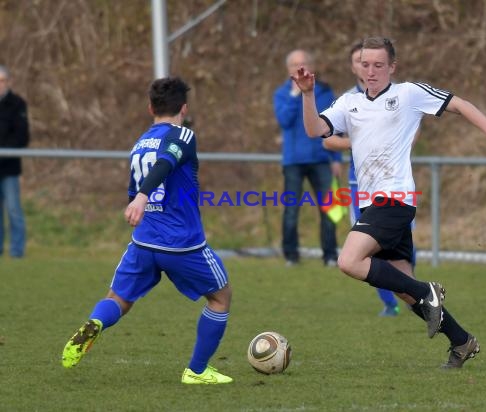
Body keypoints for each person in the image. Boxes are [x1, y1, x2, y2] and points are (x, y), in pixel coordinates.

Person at [293, 36, 486, 368]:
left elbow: (458, 103)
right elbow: (315, 130)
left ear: (392, 67)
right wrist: (308, 94)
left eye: (378, 65)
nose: (371, 71)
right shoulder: (349, 103)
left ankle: (427, 289)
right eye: (365, 64)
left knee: (348, 261)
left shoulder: (408, 94)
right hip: (373, 203)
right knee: (405, 290)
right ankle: (461, 341)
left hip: (395, 199)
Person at [61, 77, 233, 384]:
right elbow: (166, 163)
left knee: (119, 299)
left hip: (143, 241)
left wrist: (138, 201)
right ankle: (196, 371)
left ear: (150, 107)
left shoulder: (140, 143)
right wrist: (142, 197)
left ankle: (97, 322)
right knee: (221, 297)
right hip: (181, 243)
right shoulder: (183, 135)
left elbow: (134, 186)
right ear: (184, 108)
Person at [323, 42, 402, 317]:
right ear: (353, 66)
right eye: (360, 62)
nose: (365, 67)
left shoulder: (397, 96)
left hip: (394, 185)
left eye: (371, 62)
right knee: (367, 249)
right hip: (361, 186)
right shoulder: (347, 100)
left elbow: (412, 132)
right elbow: (327, 140)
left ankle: (414, 291)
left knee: (399, 246)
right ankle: (391, 302)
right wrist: (358, 142)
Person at [273, 49, 342, 267]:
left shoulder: (324, 92)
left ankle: (330, 255)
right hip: (293, 161)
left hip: (321, 159)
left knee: (329, 209)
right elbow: (284, 120)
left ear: (312, 66)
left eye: (303, 63)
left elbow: (334, 126)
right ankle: (291, 256)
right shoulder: (282, 94)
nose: (299, 67)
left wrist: (337, 158)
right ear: (288, 69)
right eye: (295, 64)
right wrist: (297, 94)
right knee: (291, 210)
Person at [0, 65, 29, 258]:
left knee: (13, 210)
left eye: (2, 81)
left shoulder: (17, 103)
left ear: (8, 82)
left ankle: (17, 251)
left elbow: (22, 136)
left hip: (9, 168)